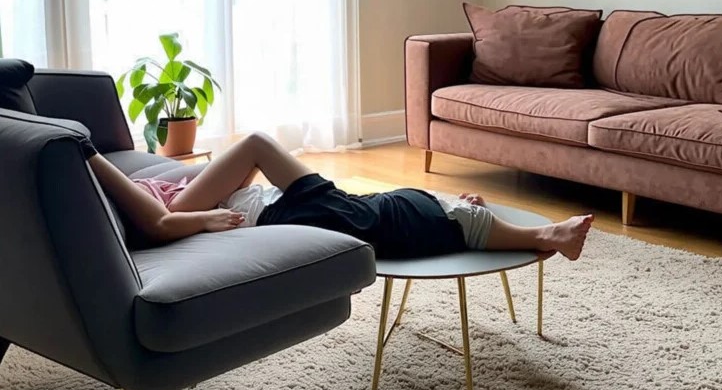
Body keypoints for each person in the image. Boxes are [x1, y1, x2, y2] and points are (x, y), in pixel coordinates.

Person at [84, 132, 593, 261]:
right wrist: (83, 149)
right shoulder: (125, 193)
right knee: (385, 216)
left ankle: (474, 217)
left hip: (274, 202)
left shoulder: (121, 189)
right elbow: (161, 222)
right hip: (280, 210)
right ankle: (543, 235)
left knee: (385, 208)